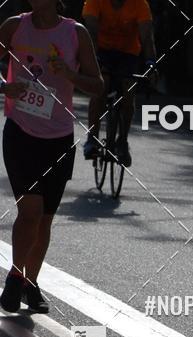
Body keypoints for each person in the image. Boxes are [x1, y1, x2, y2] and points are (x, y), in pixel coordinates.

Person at [0, 0, 103, 315]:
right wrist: (4, 86)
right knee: (29, 212)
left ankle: (31, 283)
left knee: (44, 218)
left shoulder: (76, 33)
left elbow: (97, 86)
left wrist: (70, 74)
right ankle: (15, 279)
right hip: (20, 131)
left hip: (58, 138)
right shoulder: (14, 27)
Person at [82, 0, 156, 167]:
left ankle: (122, 141)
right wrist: (93, 61)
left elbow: (146, 36)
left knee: (128, 92)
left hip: (128, 53)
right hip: (101, 50)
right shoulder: (95, 2)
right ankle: (92, 138)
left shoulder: (140, 4)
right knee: (101, 86)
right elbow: (91, 32)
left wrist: (151, 62)